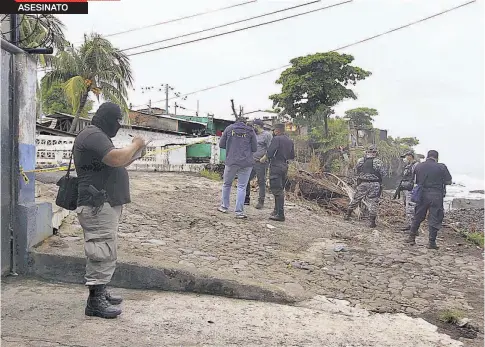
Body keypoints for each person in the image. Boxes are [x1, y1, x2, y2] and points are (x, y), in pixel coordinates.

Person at [74, 102, 146, 319]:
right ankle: (94, 301)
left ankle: (101, 290)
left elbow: (117, 164)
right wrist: (136, 144)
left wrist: (136, 153)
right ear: (106, 117)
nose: (117, 124)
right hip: (96, 204)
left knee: (106, 247)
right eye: (116, 120)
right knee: (100, 249)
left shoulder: (99, 136)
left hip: (104, 203)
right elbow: (115, 158)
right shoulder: (92, 135)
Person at [405, 150, 452, 249]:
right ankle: (432, 242)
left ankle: (411, 237)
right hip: (436, 195)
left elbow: (415, 180)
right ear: (437, 157)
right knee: (435, 217)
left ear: (427, 156)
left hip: (422, 194)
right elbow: (449, 181)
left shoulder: (418, 166)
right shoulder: (441, 167)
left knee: (418, 215)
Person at [218, 117, 257, 218]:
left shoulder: (229, 128)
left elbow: (221, 144)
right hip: (246, 163)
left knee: (226, 184)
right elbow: (254, 148)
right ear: (245, 123)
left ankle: (224, 207)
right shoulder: (250, 131)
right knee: (242, 187)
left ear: (236, 121)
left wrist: (232, 146)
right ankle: (239, 212)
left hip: (231, 161)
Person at [344, 144, 386, 228]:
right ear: (375, 152)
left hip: (362, 183)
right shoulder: (378, 162)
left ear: (367, 152)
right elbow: (383, 174)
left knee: (356, 199)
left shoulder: (360, 160)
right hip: (374, 184)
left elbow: (355, 170)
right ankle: (372, 222)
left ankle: (347, 215)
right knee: (373, 202)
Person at [266, 123, 295, 222]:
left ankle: (280, 214)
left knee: (277, 190)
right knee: (280, 188)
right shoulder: (290, 141)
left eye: (274, 130)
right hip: (285, 166)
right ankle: (276, 210)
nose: (273, 132)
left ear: (277, 130)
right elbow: (292, 156)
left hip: (276, 166)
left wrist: (267, 158)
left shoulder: (276, 139)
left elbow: (270, 153)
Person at [244, 119, 273, 209]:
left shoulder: (267, 135)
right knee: (245, 179)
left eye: (254, 125)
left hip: (261, 163)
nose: (252, 127)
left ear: (258, 126)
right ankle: (246, 199)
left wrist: (265, 157)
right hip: (251, 162)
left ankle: (261, 201)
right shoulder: (253, 135)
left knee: (261, 182)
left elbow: (270, 148)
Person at [399, 151, 419, 231]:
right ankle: (409, 225)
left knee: (410, 208)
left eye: (406, 157)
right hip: (405, 189)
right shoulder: (408, 166)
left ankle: (413, 228)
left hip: (411, 189)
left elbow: (416, 178)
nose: (404, 159)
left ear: (410, 156)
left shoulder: (415, 165)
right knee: (407, 208)